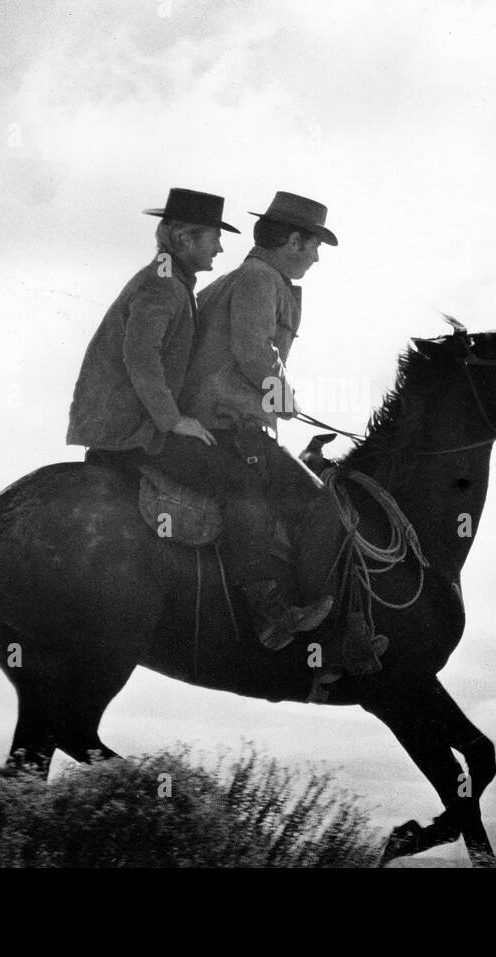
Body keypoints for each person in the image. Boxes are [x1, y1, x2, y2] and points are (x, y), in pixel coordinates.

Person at [66, 187, 332, 649]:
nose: (221, 247)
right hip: (136, 428)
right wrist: (175, 420)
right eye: (212, 236)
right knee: (244, 486)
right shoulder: (173, 281)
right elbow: (148, 354)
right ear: (186, 238)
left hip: (159, 420)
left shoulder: (178, 280)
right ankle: (266, 610)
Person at [182, 192, 381, 666]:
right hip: (231, 426)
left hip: (220, 420)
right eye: (314, 247)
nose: (315, 258)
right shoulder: (260, 279)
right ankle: (295, 620)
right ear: (293, 240)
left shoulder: (243, 278)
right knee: (320, 506)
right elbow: (253, 351)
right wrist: (282, 396)